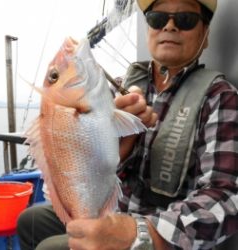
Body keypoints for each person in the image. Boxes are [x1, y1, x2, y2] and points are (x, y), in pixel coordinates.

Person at [17, 0, 238, 249]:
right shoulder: (118, 87)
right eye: (157, 18)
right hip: (110, 208)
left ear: (205, 35)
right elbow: (89, 163)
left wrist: (143, 234)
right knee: (30, 219)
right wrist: (123, 143)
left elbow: (226, 196)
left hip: (159, 228)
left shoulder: (219, 97)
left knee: (49, 247)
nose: (170, 26)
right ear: (148, 30)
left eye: (185, 20)